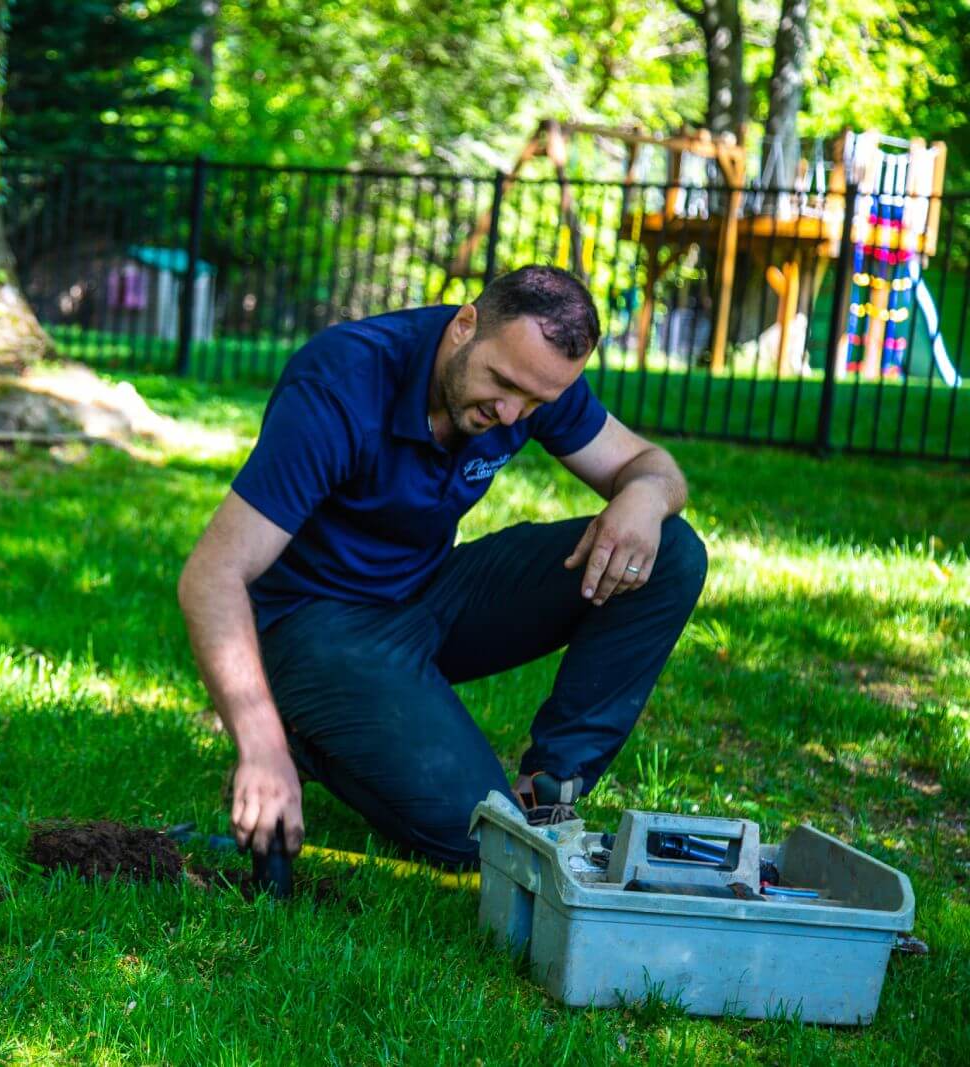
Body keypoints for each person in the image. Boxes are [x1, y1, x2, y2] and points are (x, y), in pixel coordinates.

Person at [176, 265, 707, 867]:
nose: (513, 415)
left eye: (537, 401)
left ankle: (550, 791)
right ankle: (305, 740)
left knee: (671, 552)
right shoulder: (342, 384)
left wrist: (644, 497)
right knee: (483, 841)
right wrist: (259, 742)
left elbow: (649, 465)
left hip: (426, 594)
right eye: (503, 385)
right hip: (313, 628)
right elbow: (211, 576)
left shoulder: (528, 381)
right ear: (464, 326)